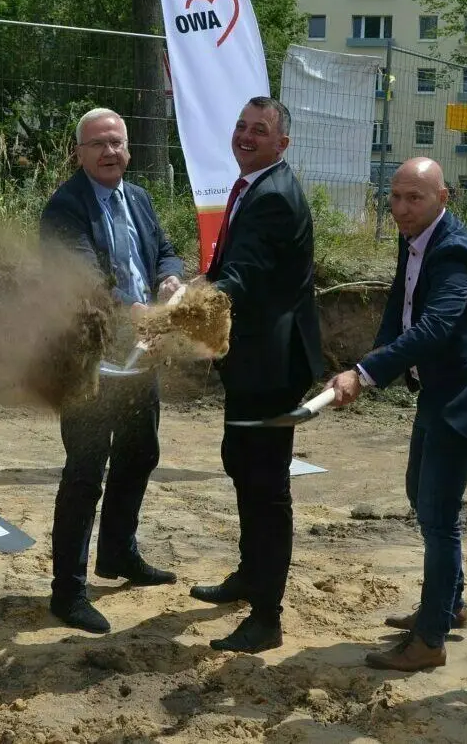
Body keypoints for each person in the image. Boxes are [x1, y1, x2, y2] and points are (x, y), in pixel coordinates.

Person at [325, 157, 467, 671]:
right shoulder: (414, 237)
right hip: (438, 386)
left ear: (443, 198)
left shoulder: (453, 252)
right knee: (419, 493)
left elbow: (433, 328)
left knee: (437, 513)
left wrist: (363, 373)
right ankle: (450, 604)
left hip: (465, 390)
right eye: (396, 197)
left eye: (415, 198)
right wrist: (371, 365)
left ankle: (430, 642)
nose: (401, 209)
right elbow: (399, 310)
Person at [38, 107, 185, 634]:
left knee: (141, 452)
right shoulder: (64, 209)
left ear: (129, 148)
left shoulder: (139, 198)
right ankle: (68, 592)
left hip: (139, 356)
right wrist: (138, 313)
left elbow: (164, 252)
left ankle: (118, 553)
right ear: (79, 153)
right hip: (89, 360)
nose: (109, 152)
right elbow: (84, 284)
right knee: (84, 470)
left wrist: (168, 280)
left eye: (117, 142)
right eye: (98, 144)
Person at [190, 96, 323, 653]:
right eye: (241, 125)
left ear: (282, 144)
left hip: (270, 366)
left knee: (266, 487)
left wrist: (189, 303)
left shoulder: (272, 197)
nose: (245, 136)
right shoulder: (256, 186)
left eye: (259, 130)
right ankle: (251, 575)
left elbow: (242, 276)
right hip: (254, 361)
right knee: (242, 466)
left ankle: (267, 616)